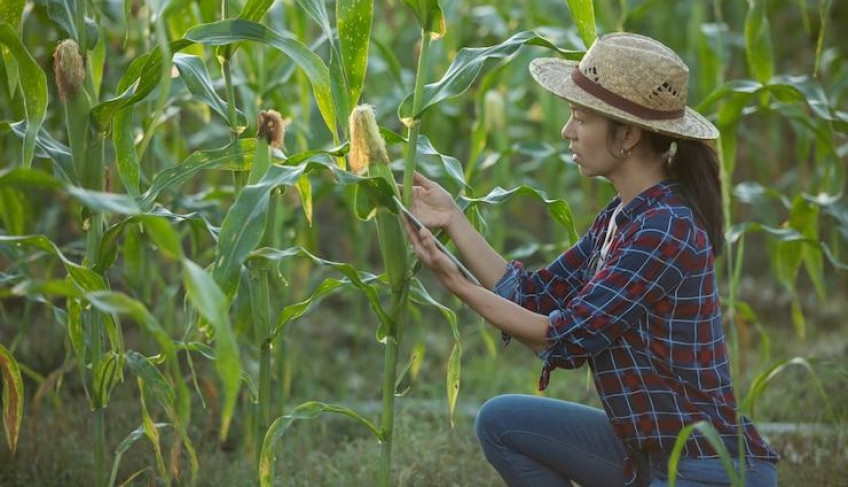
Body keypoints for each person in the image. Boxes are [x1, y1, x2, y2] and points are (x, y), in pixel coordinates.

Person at [400, 32, 779, 486]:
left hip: (703, 468)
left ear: (628, 135)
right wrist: (453, 220)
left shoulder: (664, 228)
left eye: (580, 118)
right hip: (644, 456)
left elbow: (564, 337)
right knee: (502, 422)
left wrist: (456, 282)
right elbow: (535, 296)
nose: (567, 131)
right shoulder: (623, 217)